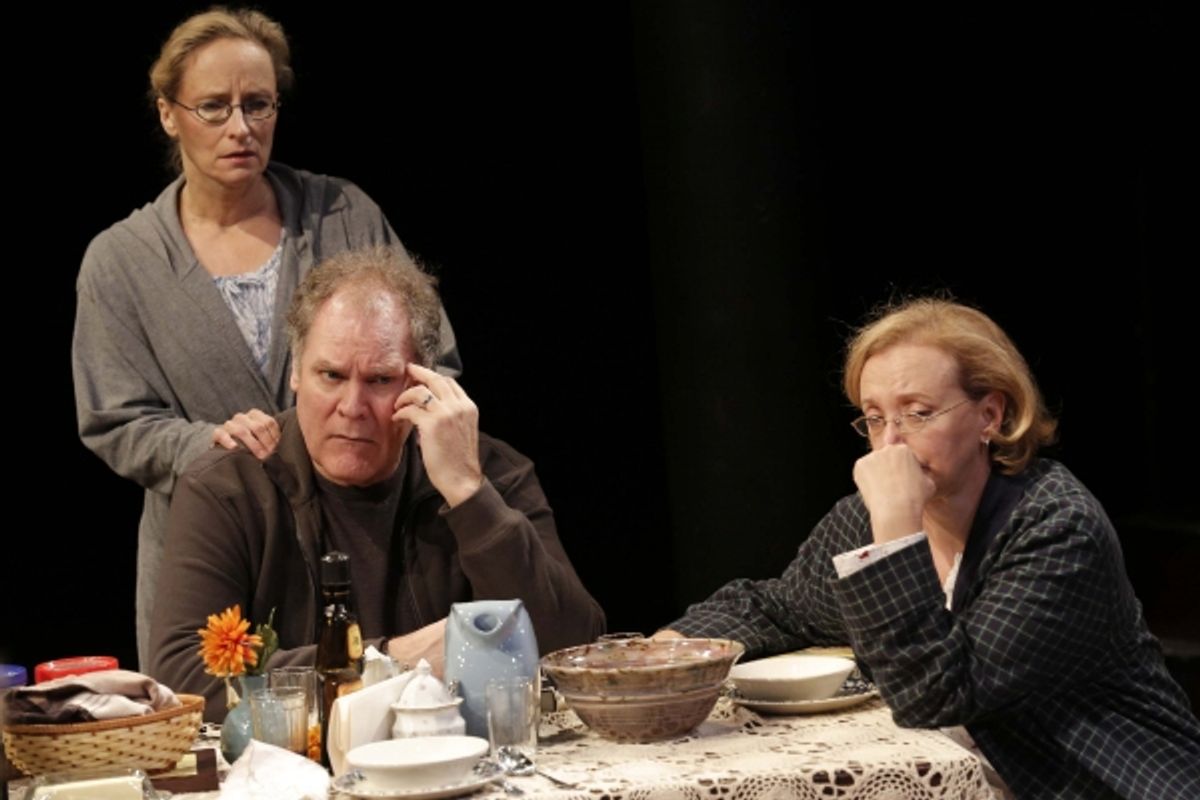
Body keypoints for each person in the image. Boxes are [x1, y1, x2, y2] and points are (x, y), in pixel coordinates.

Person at [660, 298, 1200, 799]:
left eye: (917, 413)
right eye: (874, 418)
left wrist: (895, 527)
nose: (890, 442)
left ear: (990, 415)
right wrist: (672, 652)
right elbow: (776, 606)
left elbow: (935, 695)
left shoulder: (1054, 524)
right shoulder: (861, 517)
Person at [71, 8, 461, 669]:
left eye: (258, 104)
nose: (240, 128)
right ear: (169, 113)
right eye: (213, 107)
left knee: (373, 709)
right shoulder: (121, 261)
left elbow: (433, 360)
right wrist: (208, 442)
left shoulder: (342, 215)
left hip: (362, 543)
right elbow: (114, 420)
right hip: (212, 555)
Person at [147, 246, 605, 719]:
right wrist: (392, 663)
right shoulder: (229, 488)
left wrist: (470, 494)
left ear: (421, 383)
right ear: (295, 375)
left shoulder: (489, 472)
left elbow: (572, 650)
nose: (352, 406)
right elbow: (184, 677)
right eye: (331, 375)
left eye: (381, 379)